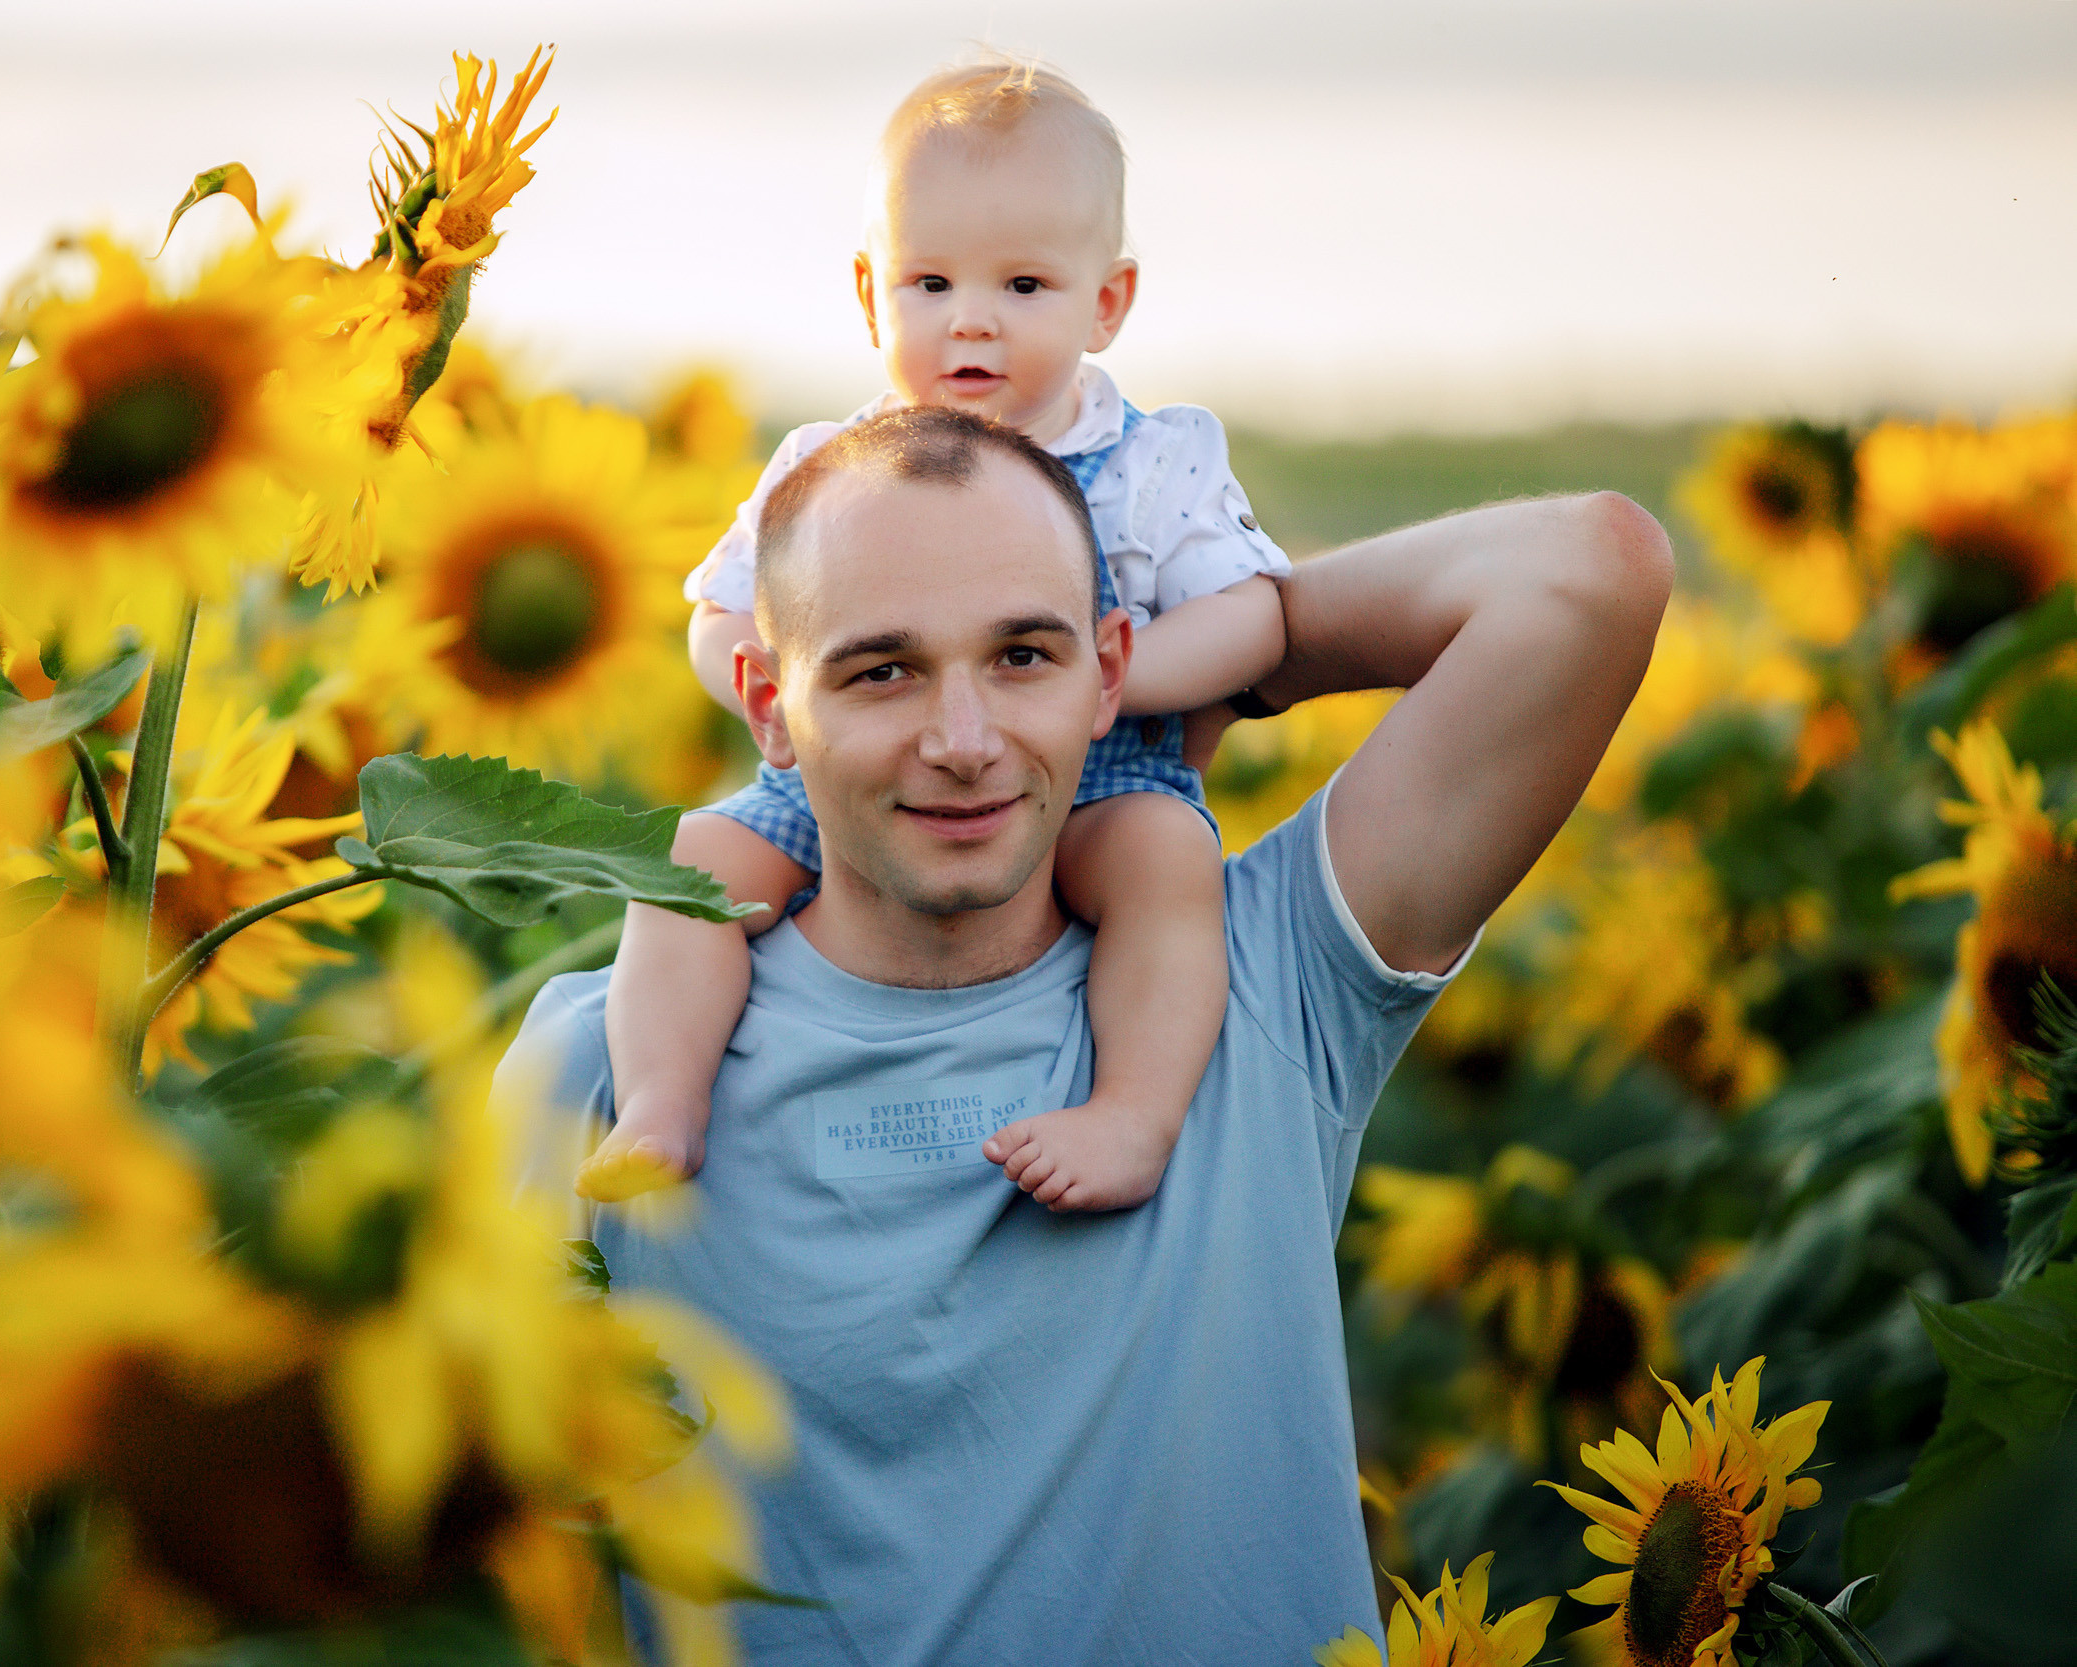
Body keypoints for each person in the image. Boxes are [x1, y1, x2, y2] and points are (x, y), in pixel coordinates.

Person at [500, 405, 1672, 1663]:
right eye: (879, 668)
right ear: (767, 704)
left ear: (1110, 669)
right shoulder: (604, 1073)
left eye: (1023, 655)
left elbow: (1590, 570)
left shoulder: (1253, 985)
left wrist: (1244, 645)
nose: (963, 742)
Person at [579, 57, 1288, 1213]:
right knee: (695, 867)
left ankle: (1132, 1114)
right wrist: (778, 707)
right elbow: (720, 616)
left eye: (1021, 285)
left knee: (1170, 870)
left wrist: (1107, 687)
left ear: (1105, 302)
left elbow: (1254, 614)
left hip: (1100, 780)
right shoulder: (828, 470)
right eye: (929, 281)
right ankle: (662, 1098)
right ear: (868, 294)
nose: (970, 320)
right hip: (846, 783)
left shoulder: (1159, 461)